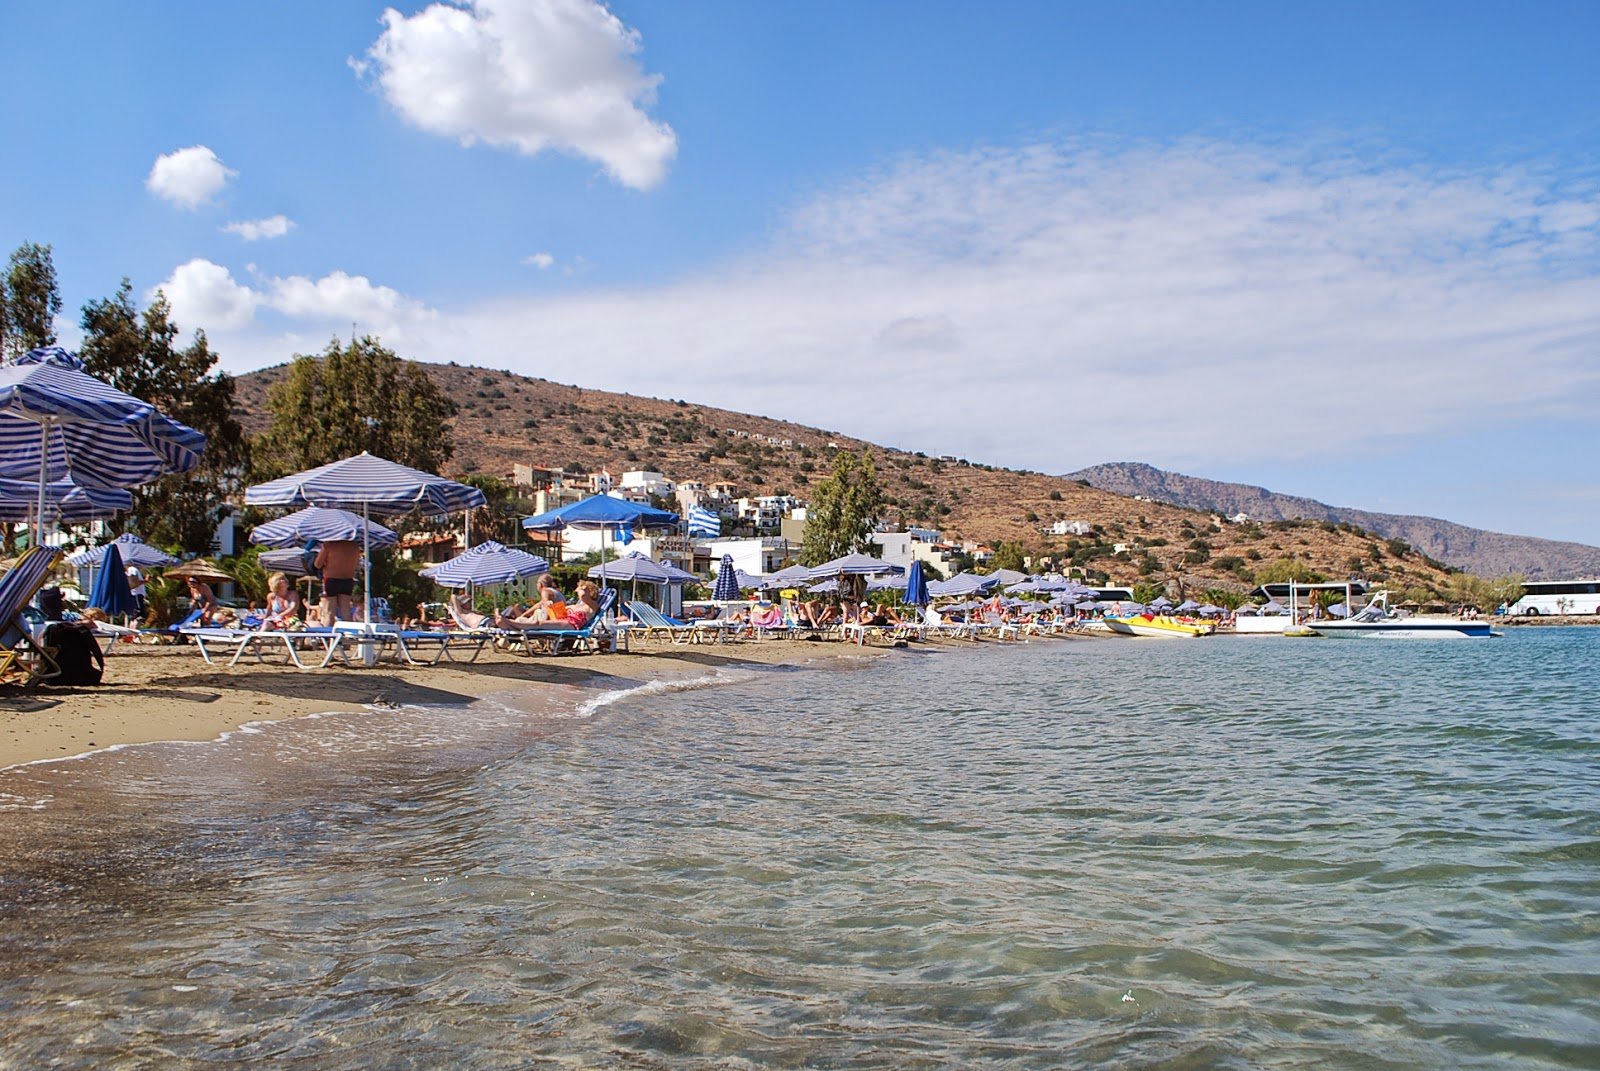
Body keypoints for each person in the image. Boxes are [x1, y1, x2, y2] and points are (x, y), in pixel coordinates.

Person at [313, 539, 361, 624]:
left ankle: (328, 636)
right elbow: (357, 565)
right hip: (348, 579)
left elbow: (317, 564)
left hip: (332, 578)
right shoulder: (354, 546)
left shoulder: (329, 544)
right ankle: (349, 635)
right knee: (346, 612)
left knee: (329, 612)